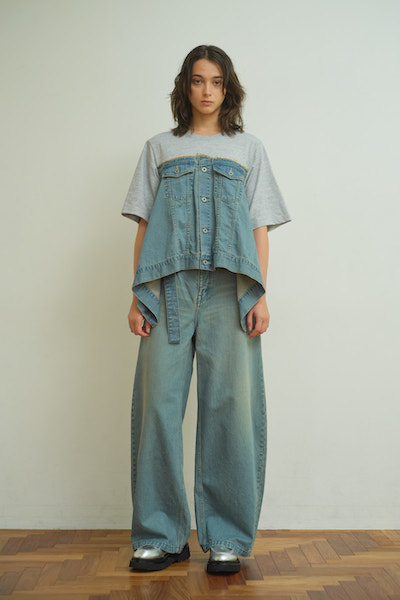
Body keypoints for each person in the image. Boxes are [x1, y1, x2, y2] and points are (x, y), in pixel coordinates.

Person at [121, 45, 292, 574]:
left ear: (228, 88)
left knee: (230, 409)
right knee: (157, 407)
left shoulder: (249, 149)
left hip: (229, 289)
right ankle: (161, 535)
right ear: (185, 87)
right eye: (198, 80)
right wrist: (138, 294)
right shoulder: (158, 147)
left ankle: (227, 538)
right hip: (168, 288)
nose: (207, 91)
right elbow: (145, 224)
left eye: (216, 81)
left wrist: (259, 293)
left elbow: (260, 225)